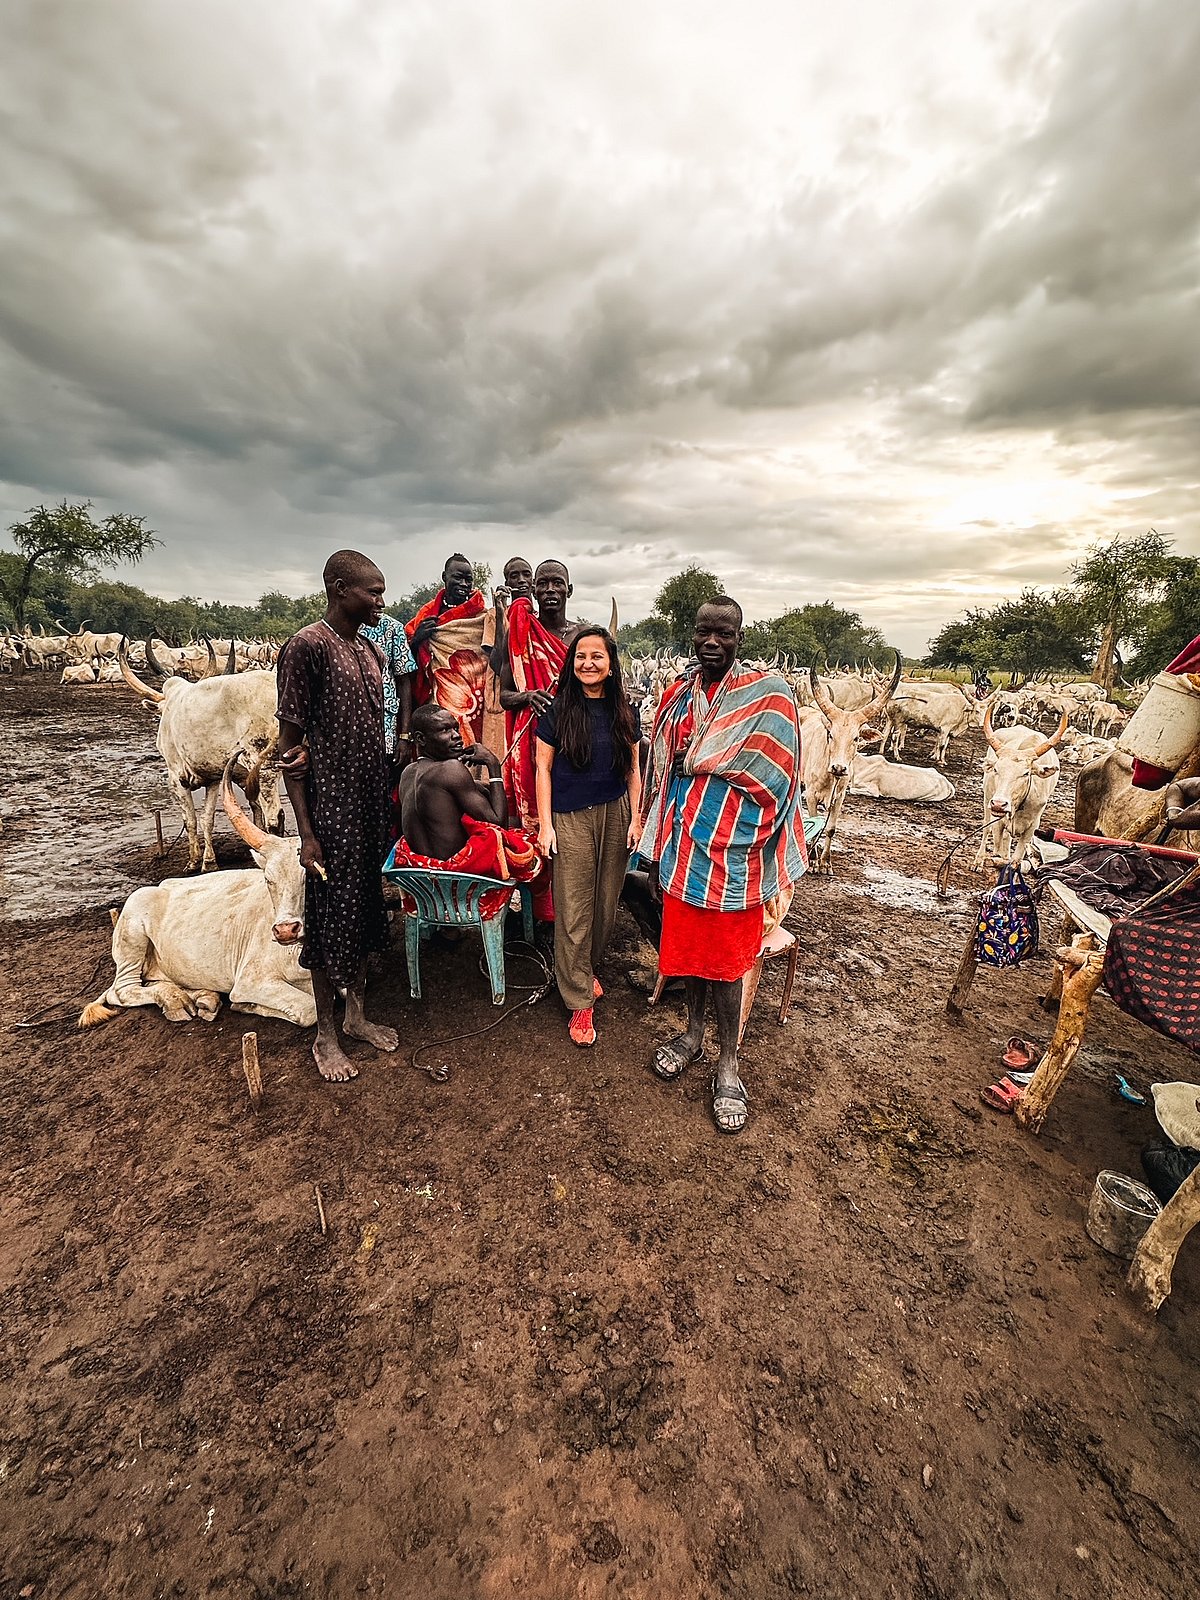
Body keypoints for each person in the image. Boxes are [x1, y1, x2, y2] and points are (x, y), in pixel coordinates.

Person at [638, 597, 807, 1134]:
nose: (712, 642)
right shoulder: (677, 697)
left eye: (724, 634)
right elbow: (666, 767)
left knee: (730, 965)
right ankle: (691, 1035)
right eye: (704, 633)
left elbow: (779, 776)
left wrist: (706, 765)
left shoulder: (769, 698)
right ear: (692, 636)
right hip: (686, 850)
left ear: (740, 638)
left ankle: (729, 1062)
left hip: (737, 855)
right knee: (688, 955)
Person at [276, 551, 398, 1083]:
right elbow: (289, 753)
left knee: (369, 910)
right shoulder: (307, 648)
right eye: (371, 592)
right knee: (326, 921)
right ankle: (325, 1033)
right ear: (338, 587)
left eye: (381, 591)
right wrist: (307, 834)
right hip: (331, 814)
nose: (380, 601)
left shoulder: (370, 649)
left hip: (371, 809)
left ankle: (356, 1016)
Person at [535, 628, 641, 1046]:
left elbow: (633, 768)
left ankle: (583, 968)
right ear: (571, 662)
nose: (588, 664)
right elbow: (542, 768)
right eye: (581, 656)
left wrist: (636, 817)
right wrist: (546, 824)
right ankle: (579, 999)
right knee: (575, 908)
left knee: (605, 906)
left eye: (597, 656)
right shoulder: (558, 709)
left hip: (615, 813)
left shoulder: (623, 711)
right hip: (571, 817)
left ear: (611, 664)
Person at [393, 705, 539, 911]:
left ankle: (446, 931)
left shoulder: (408, 772)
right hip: (457, 880)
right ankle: (534, 920)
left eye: (455, 728)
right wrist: (493, 764)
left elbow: (442, 801)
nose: (456, 736)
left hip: (423, 881)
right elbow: (499, 823)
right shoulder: (451, 770)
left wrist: (479, 786)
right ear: (421, 739)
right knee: (528, 840)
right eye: (444, 730)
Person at [500, 559, 580, 925]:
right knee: (538, 825)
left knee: (573, 822)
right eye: (543, 584)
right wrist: (528, 696)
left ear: (569, 590)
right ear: (533, 590)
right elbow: (503, 696)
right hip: (532, 745)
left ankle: (572, 910)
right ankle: (543, 914)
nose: (550, 590)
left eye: (557, 583)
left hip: (576, 745)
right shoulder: (517, 632)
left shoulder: (583, 637)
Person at [405, 554, 489, 747]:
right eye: (458, 577)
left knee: (477, 749)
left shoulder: (482, 617)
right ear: (445, 577)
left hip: (479, 699)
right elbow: (405, 662)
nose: (464, 584)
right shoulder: (427, 615)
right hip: (443, 698)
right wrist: (417, 641)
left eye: (468, 580)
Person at [481, 556, 534, 758]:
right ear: (507, 584)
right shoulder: (494, 615)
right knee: (502, 759)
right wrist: (502, 611)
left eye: (526, 575)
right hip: (501, 700)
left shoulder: (538, 617)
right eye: (514, 576)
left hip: (531, 696)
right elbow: (496, 663)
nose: (521, 580)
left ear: (533, 582)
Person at [357, 611, 416, 756]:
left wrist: (404, 736)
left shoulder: (391, 627)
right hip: (345, 728)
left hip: (384, 728)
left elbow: (404, 682)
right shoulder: (331, 632)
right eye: (373, 593)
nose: (380, 602)